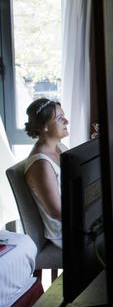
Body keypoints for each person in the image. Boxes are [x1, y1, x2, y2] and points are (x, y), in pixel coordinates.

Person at [23, 98, 69, 249]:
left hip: (77, 217)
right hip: (65, 231)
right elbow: (57, 212)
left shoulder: (60, 147)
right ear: (44, 127)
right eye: (60, 118)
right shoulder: (41, 165)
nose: (66, 121)